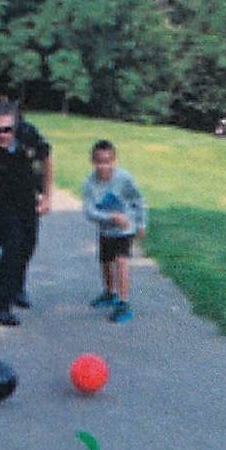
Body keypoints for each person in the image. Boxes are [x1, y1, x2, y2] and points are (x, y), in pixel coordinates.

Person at [0, 101, 52, 326]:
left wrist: (47, 195)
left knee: (28, 244)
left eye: (7, 130)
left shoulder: (30, 135)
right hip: (2, 199)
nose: (1, 135)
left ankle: (17, 287)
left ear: (15, 127)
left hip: (27, 195)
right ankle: (0, 306)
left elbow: (46, 160)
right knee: (12, 247)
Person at [82, 139, 147, 324]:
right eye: (100, 161)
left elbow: (138, 199)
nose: (104, 166)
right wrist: (111, 217)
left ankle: (124, 303)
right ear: (93, 162)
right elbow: (89, 211)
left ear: (114, 161)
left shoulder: (124, 178)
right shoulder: (89, 184)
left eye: (108, 161)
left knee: (121, 262)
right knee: (105, 263)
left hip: (125, 230)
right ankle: (109, 293)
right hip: (106, 231)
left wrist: (141, 223)